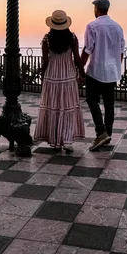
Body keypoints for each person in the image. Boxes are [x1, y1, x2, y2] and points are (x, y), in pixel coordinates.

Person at [34, 9, 85, 152]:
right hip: (68, 76)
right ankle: (67, 140)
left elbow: (44, 61)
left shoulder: (47, 39)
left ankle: (54, 138)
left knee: (53, 106)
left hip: (52, 76)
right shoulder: (72, 38)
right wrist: (82, 73)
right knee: (67, 106)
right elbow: (77, 58)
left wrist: (43, 77)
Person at [81, 0, 125, 151]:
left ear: (97, 9)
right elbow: (121, 51)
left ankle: (101, 132)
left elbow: (87, 49)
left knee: (92, 100)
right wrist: (116, 68)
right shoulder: (118, 27)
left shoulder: (92, 26)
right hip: (112, 72)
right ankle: (108, 134)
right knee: (109, 104)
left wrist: (80, 67)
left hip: (96, 71)